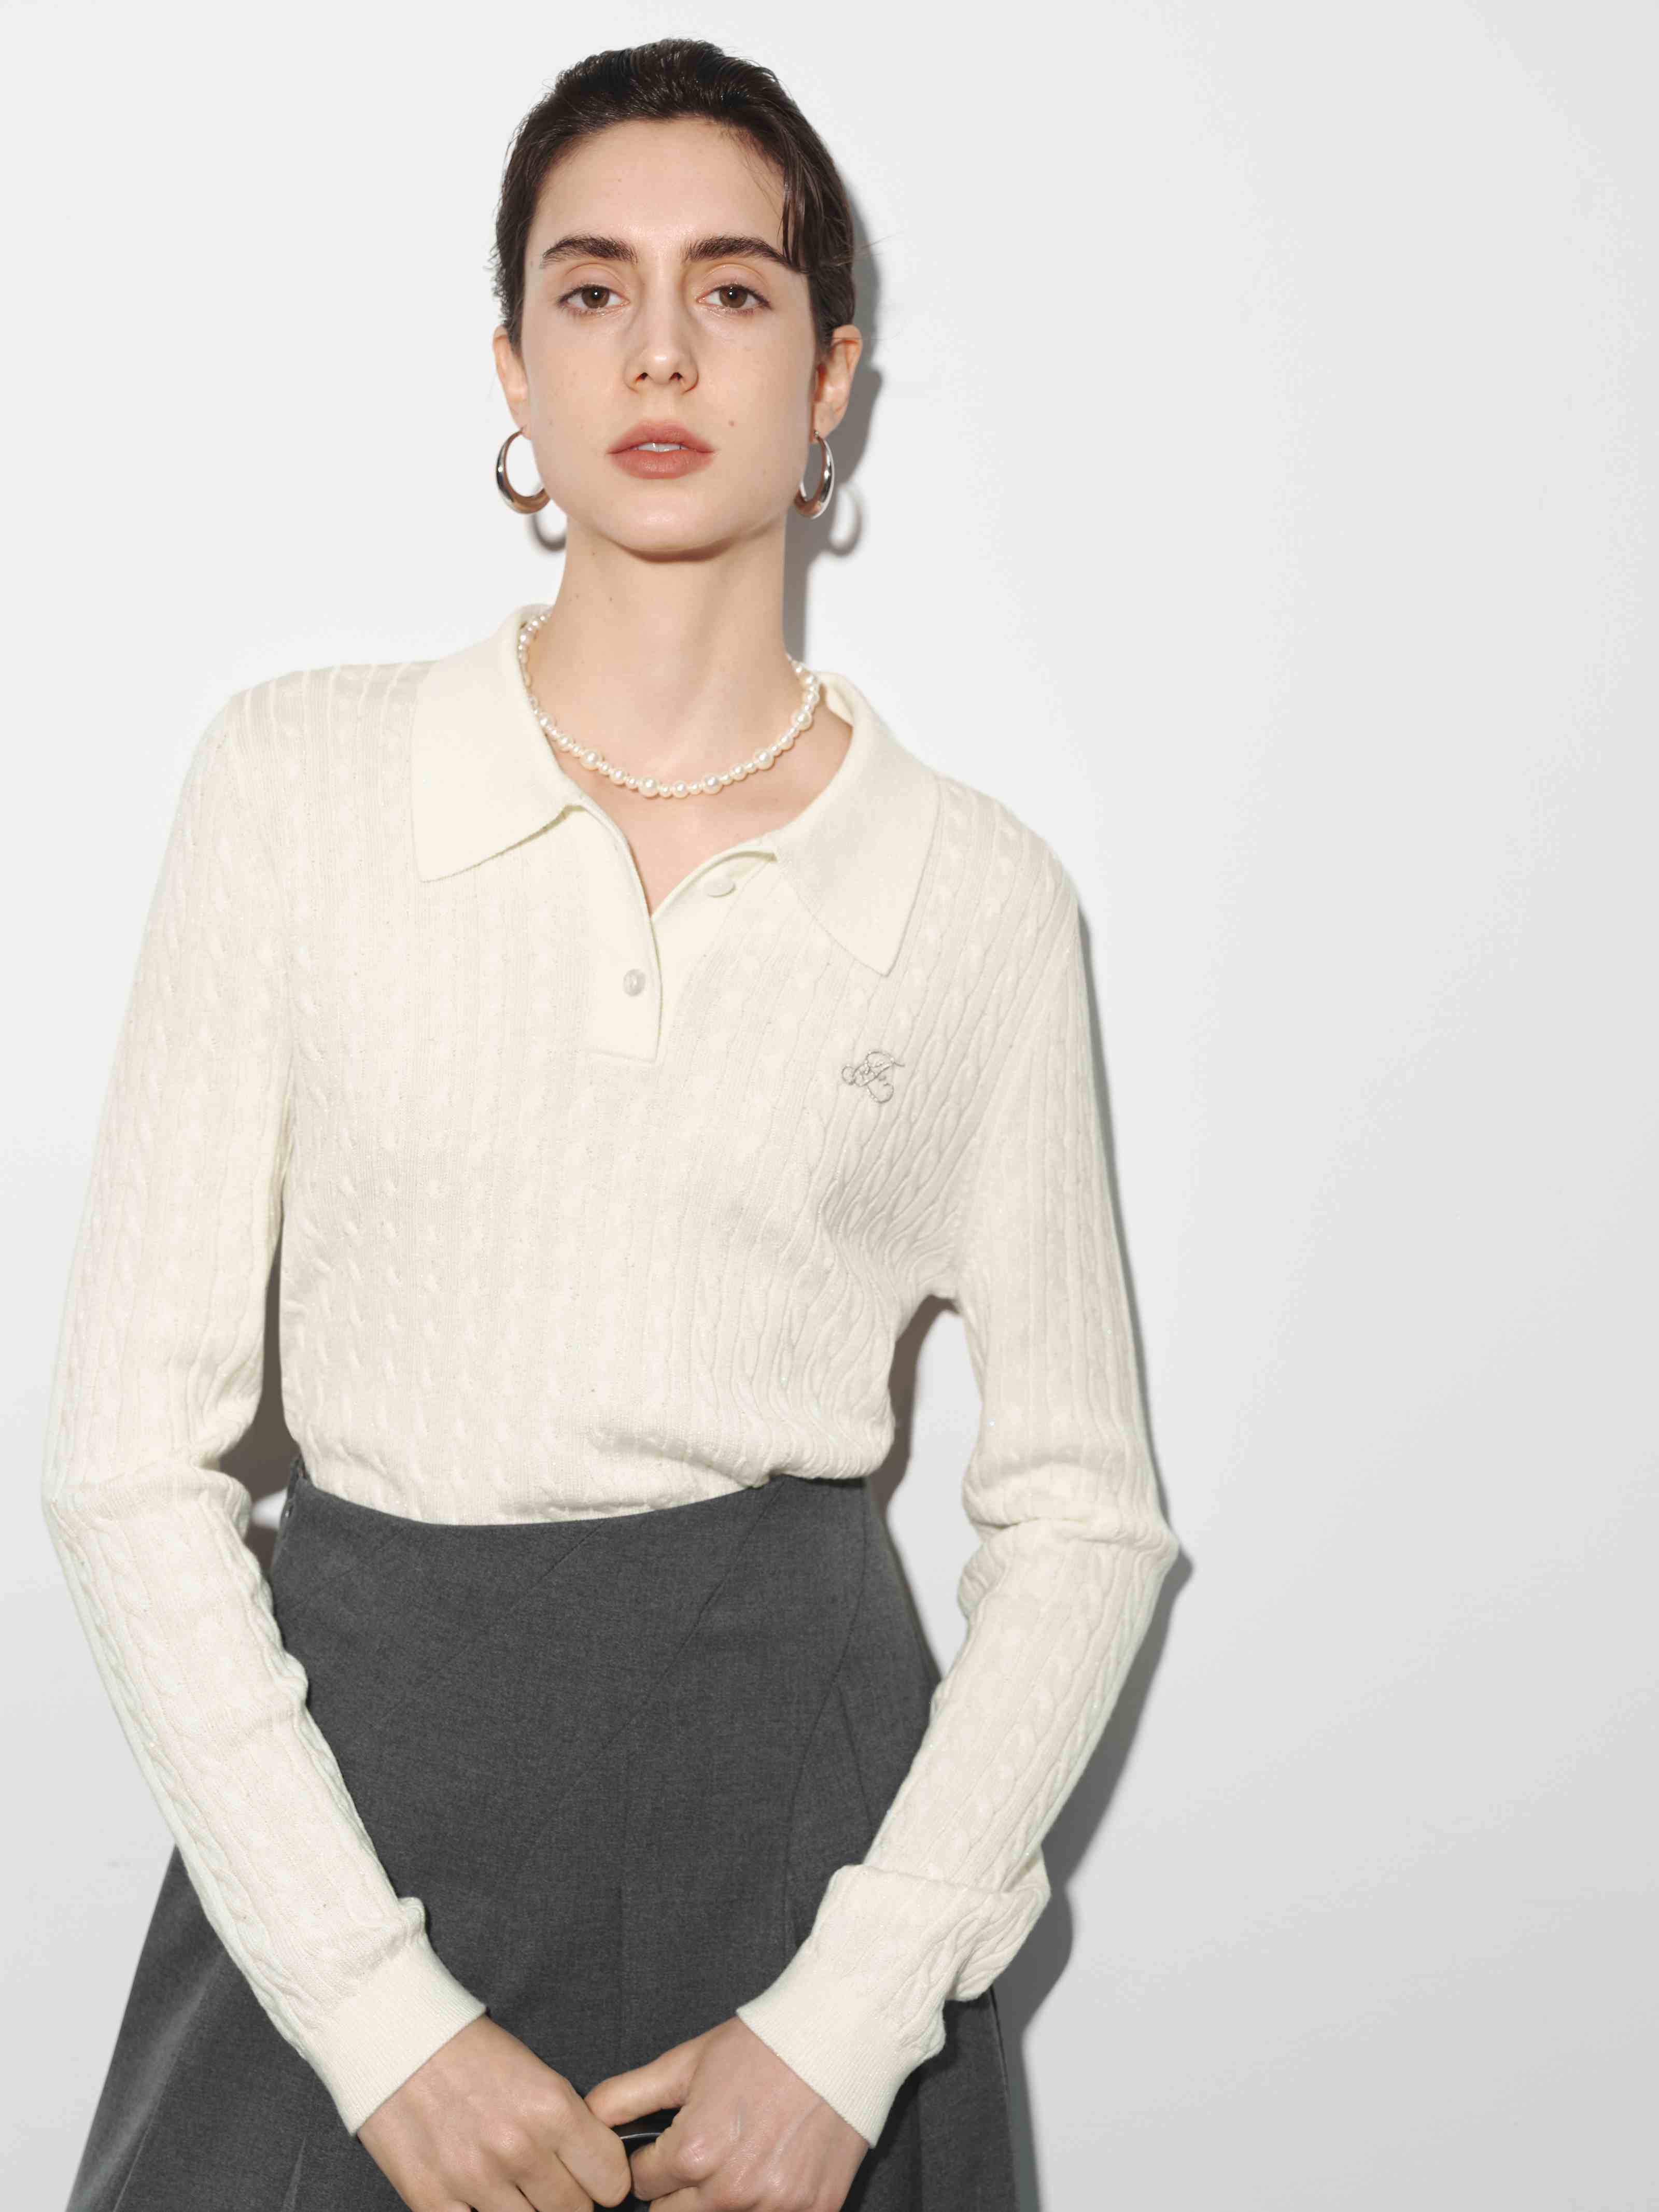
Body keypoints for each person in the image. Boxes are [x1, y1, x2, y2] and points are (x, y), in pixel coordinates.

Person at [41, 35, 1179, 2212]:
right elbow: (124, 1460)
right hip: (351, 1828)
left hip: (798, 1860)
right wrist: (376, 2013)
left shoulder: (973, 899)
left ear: (828, 379)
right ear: (515, 361)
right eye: (592, 288)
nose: (660, 349)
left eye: (733, 289)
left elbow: (1082, 1514)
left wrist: (851, 2018)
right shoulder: (295, 787)